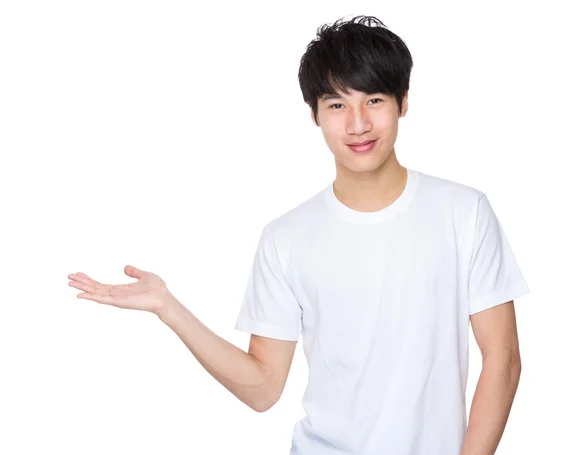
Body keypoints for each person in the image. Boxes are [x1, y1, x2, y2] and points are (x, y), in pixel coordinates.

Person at [67, 15, 530, 455]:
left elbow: (503, 360)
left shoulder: (463, 213)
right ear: (315, 115)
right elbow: (264, 387)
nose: (357, 124)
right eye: (336, 105)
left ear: (403, 102)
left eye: (373, 100)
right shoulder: (286, 238)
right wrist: (169, 309)